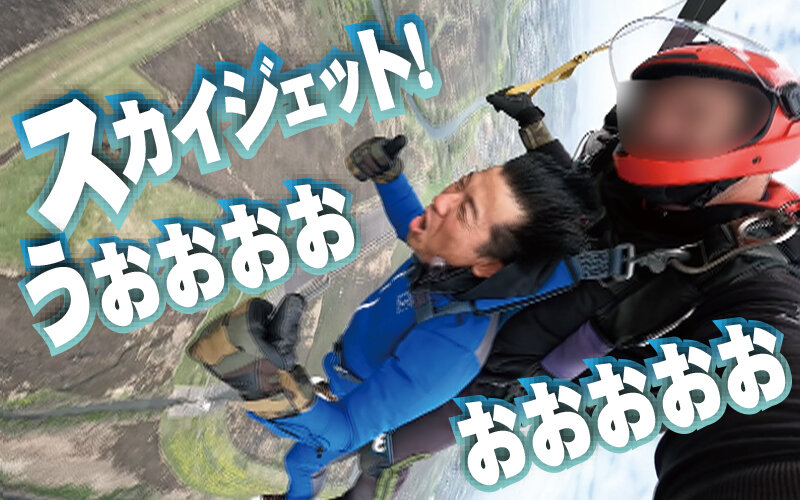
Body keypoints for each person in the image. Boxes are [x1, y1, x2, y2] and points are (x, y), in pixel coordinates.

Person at [339, 38, 800, 500]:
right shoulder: (629, 158)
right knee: (373, 359)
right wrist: (532, 124)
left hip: (500, 378)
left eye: (693, 115)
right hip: (483, 291)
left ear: (752, 152)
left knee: (383, 452)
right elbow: (578, 188)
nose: (659, 122)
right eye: (653, 104)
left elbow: (770, 418)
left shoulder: (751, 275)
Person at [185, 135, 589, 499]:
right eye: (463, 182)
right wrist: (389, 178)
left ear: (488, 265)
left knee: (300, 463)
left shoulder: (453, 347)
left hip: (358, 402)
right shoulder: (448, 263)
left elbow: (347, 431)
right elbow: (413, 228)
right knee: (301, 462)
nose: (443, 201)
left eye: (465, 212)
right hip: (342, 378)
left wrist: (269, 386)